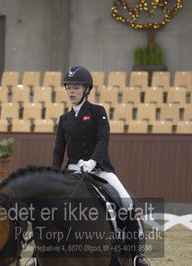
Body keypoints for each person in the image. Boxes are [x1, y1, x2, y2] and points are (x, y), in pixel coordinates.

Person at [52, 66, 149, 266]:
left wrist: (93, 161)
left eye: (76, 88)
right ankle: (38, 255)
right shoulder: (64, 120)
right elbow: (58, 150)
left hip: (99, 169)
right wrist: (53, 174)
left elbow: (103, 139)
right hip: (72, 170)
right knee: (51, 206)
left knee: (126, 202)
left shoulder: (97, 112)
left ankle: (136, 254)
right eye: (68, 87)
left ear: (86, 89)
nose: (71, 92)